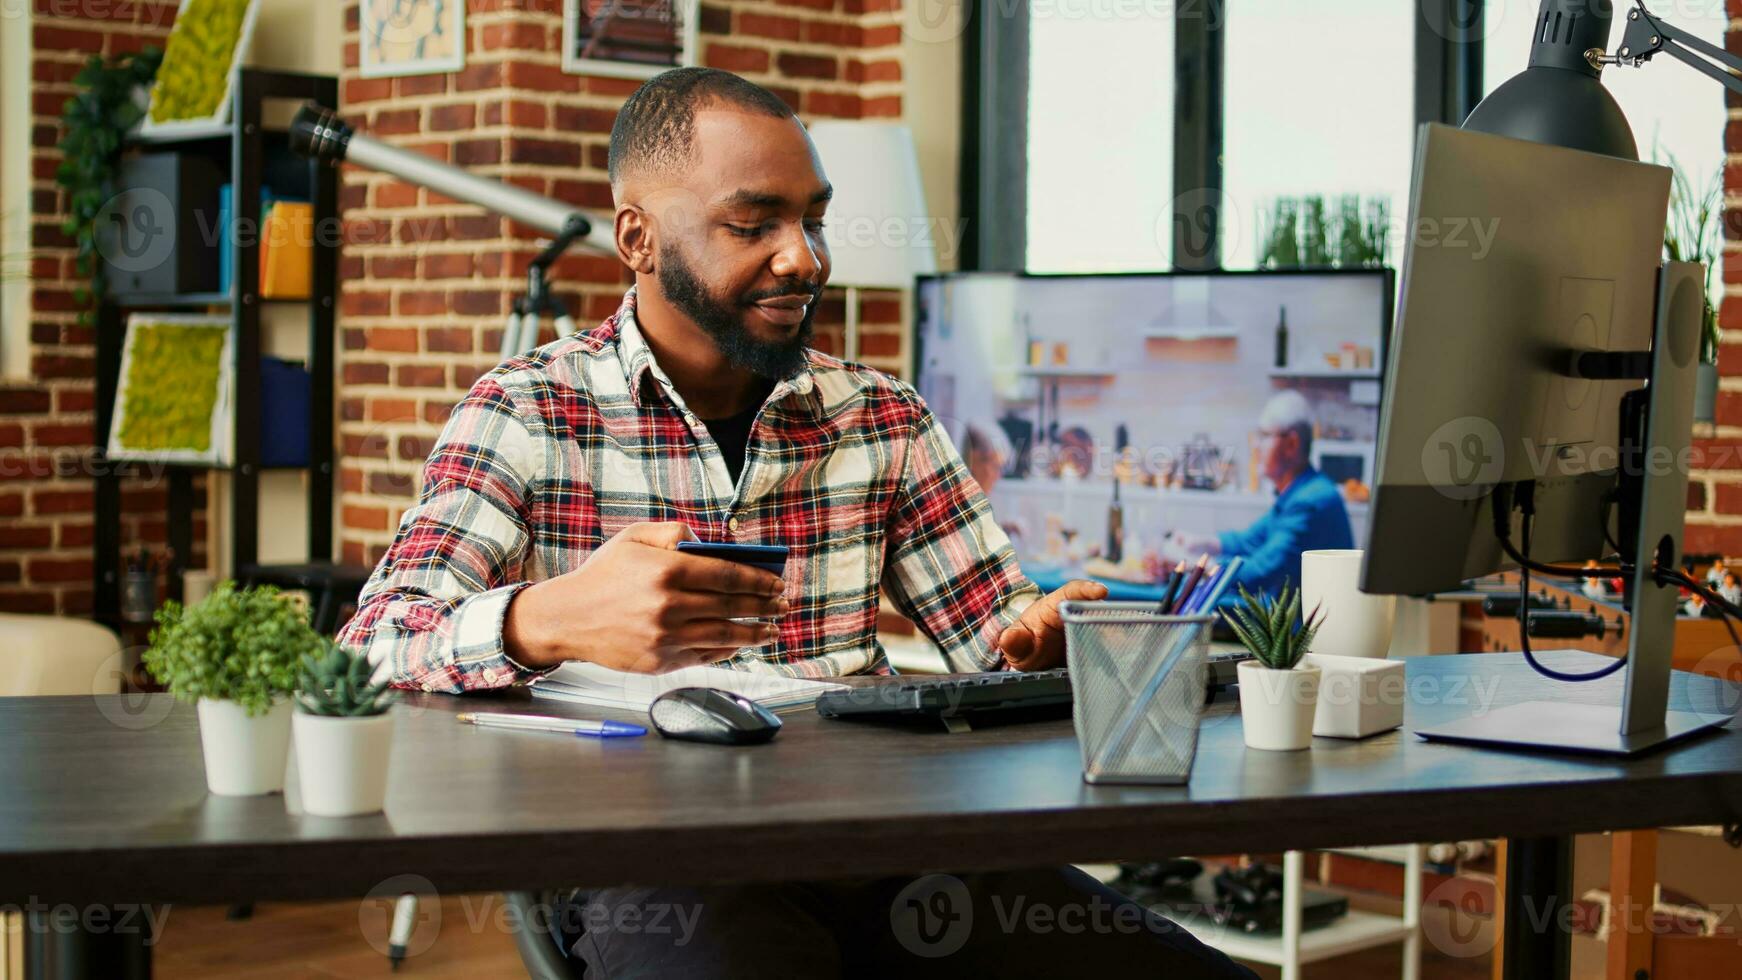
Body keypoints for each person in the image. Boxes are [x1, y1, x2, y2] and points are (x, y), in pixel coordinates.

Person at [336, 68, 1254, 980]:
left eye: (812, 220)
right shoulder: (528, 410)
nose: (804, 257)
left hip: (889, 843)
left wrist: (1034, 640)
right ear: (637, 238)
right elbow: (369, 648)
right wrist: (549, 619)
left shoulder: (882, 417)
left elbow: (996, 637)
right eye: (753, 224)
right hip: (657, 869)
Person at [1168, 390, 1353, 604]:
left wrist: (1194, 566)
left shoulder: (1310, 501)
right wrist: (1199, 543)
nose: (1256, 446)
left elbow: (1257, 574)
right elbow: (1250, 540)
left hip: (1302, 634)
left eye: (1264, 436)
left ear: (1292, 444)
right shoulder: (1299, 492)